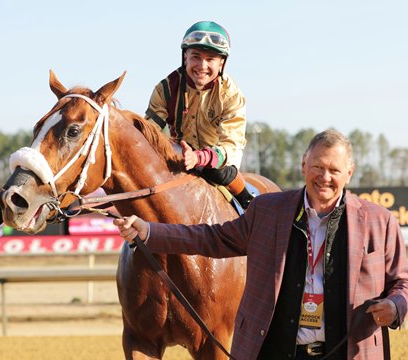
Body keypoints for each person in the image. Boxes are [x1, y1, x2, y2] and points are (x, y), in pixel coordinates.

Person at [114, 129, 408, 359]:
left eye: (334, 170)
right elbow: (211, 238)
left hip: (349, 353)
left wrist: (395, 307)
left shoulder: (379, 221)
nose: (325, 177)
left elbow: (403, 283)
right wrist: (151, 232)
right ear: (304, 164)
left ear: (349, 172)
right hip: (277, 352)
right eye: (318, 166)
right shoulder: (269, 211)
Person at [145, 20, 254, 209]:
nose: (202, 65)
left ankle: (248, 203)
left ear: (221, 63)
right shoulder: (166, 89)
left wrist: (199, 157)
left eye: (210, 59)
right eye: (196, 56)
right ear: (185, 57)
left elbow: (231, 145)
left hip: (218, 159)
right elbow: (148, 133)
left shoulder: (231, 95)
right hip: (178, 153)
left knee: (216, 172)